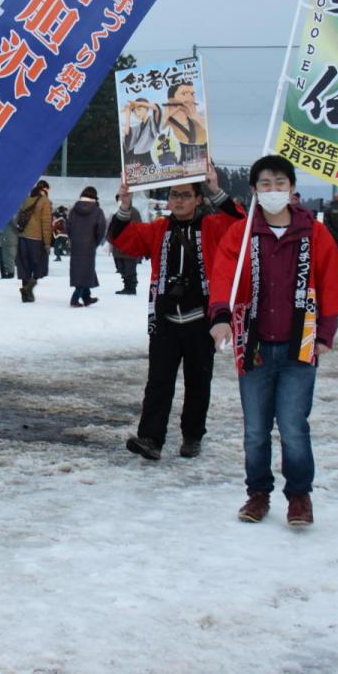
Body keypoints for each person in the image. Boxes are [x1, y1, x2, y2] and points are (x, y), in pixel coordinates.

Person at [208, 155, 338, 526]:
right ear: (254, 190)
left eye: (279, 183)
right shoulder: (242, 233)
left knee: (293, 427)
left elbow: (330, 280)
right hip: (254, 344)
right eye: (265, 184)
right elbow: (224, 277)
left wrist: (326, 333)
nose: (272, 190)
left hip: (299, 345)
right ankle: (258, 493)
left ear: (292, 189)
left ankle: (299, 496)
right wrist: (221, 318)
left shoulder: (314, 233)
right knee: (255, 430)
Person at [110, 162, 242, 461]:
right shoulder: (159, 229)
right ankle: (150, 438)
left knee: (198, 382)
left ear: (198, 199)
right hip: (165, 319)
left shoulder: (212, 227)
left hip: (202, 319)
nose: (178, 200)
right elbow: (122, 238)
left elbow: (239, 224)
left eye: (185, 195)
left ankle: (193, 435)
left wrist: (215, 188)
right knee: (158, 381)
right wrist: (125, 205)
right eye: (174, 195)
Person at [66, 186, 106, 307]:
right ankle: (75, 298)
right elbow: (101, 229)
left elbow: (68, 227)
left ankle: (86, 297)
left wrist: (74, 239)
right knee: (86, 270)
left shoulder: (74, 210)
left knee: (81, 270)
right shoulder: (97, 211)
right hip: (89, 244)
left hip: (76, 245)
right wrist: (95, 242)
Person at [16, 180, 53, 303]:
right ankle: (28, 288)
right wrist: (47, 243)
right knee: (40, 266)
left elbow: (18, 218)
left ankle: (26, 295)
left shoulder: (26, 199)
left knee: (24, 266)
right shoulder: (45, 201)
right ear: (45, 189)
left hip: (22, 237)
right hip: (36, 239)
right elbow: (46, 224)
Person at [110, 194, 142, 294]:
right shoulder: (119, 211)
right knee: (121, 267)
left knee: (129, 268)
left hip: (129, 247)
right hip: (119, 247)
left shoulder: (133, 212)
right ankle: (127, 286)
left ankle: (131, 288)